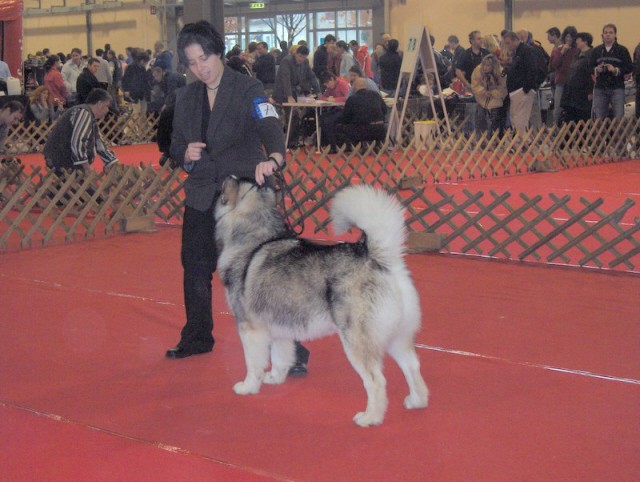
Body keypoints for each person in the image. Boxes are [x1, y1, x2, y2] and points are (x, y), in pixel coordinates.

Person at [166, 20, 310, 373]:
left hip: (245, 197)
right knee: (195, 269)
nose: (200, 68)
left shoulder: (248, 87)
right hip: (202, 194)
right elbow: (172, 145)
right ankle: (197, 337)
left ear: (218, 52)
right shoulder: (184, 98)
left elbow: (269, 125)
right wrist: (185, 153)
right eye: (192, 63)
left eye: (204, 58)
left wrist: (274, 157)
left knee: (265, 278)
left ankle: (292, 354)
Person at [43, 88, 118, 173]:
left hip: (64, 159)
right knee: (82, 185)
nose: (108, 110)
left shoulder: (88, 115)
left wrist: (111, 160)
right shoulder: (84, 113)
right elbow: (78, 141)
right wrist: (86, 166)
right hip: (62, 160)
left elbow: (98, 141)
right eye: (107, 106)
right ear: (99, 104)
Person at [590, 23, 633, 120]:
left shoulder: (622, 50)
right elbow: (589, 67)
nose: (608, 35)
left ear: (615, 35)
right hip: (600, 88)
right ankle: (600, 135)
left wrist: (616, 70)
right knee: (599, 118)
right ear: (602, 35)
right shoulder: (596, 51)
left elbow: (630, 67)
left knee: (619, 116)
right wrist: (596, 70)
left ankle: (619, 135)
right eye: (606, 33)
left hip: (617, 88)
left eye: (611, 32)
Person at [335, 77, 387, 150]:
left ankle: (351, 148)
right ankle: (375, 146)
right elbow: (384, 110)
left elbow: (346, 118)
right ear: (365, 86)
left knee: (339, 128)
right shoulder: (376, 95)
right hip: (381, 129)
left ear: (355, 87)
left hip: (363, 132)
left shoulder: (352, 99)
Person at [502, 31, 538, 133]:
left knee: (520, 118)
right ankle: (520, 141)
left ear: (515, 40)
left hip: (522, 90)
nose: (506, 46)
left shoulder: (526, 51)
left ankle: (521, 142)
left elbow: (532, 69)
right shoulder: (518, 52)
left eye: (508, 43)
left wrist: (526, 88)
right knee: (515, 116)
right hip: (516, 90)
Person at [560, 32, 595, 123]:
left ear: (585, 42)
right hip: (571, 93)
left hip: (583, 94)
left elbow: (592, 75)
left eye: (578, 40)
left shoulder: (591, 55)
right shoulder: (577, 55)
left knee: (583, 117)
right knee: (571, 117)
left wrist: (591, 91)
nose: (576, 42)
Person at [470, 54, 507, 138]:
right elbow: (474, 85)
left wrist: (493, 92)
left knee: (495, 121)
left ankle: (495, 140)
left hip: (496, 101)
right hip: (481, 100)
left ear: (493, 66)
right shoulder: (478, 70)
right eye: (484, 65)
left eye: (488, 65)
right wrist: (483, 91)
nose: (485, 67)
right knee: (480, 119)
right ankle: (481, 140)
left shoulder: (501, 72)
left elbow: (503, 89)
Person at [549, 26, 579, 125]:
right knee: (558, 107)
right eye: (567, 37)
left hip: (574, 84)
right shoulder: (558, 50)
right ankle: (556, 128)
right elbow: (554, 65)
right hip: (561, 82)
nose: (569, 39)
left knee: (573, 108)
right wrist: (562, 52)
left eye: (571, 37)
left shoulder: (578, 51)